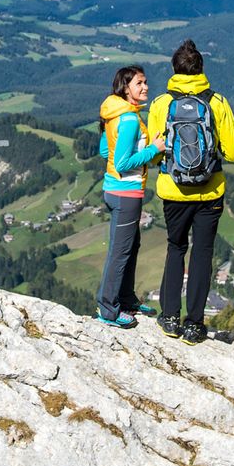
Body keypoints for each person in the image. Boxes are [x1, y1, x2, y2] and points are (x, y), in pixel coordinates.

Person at [146, 39, 234, 345]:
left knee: (176, 248)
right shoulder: (217, 102)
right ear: (201, 69)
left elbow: (155, 153)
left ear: (174, 70)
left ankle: (170, 317)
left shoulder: (161, 104)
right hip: (210, 191)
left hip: (173, 191)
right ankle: (195, 324)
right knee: (202, 253)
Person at [95, 65, 166, 328]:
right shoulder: (128, 119)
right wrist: (153, 149)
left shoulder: (116, 114)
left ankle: (125, 298)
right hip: (126, 194)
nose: (145, 87)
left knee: (129, 247)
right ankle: (108, 309)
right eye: (139, 83)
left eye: (145, 82)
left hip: (115, 191)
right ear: (126, 89)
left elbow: (106, 152)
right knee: (120, 252)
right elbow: (123, 163)